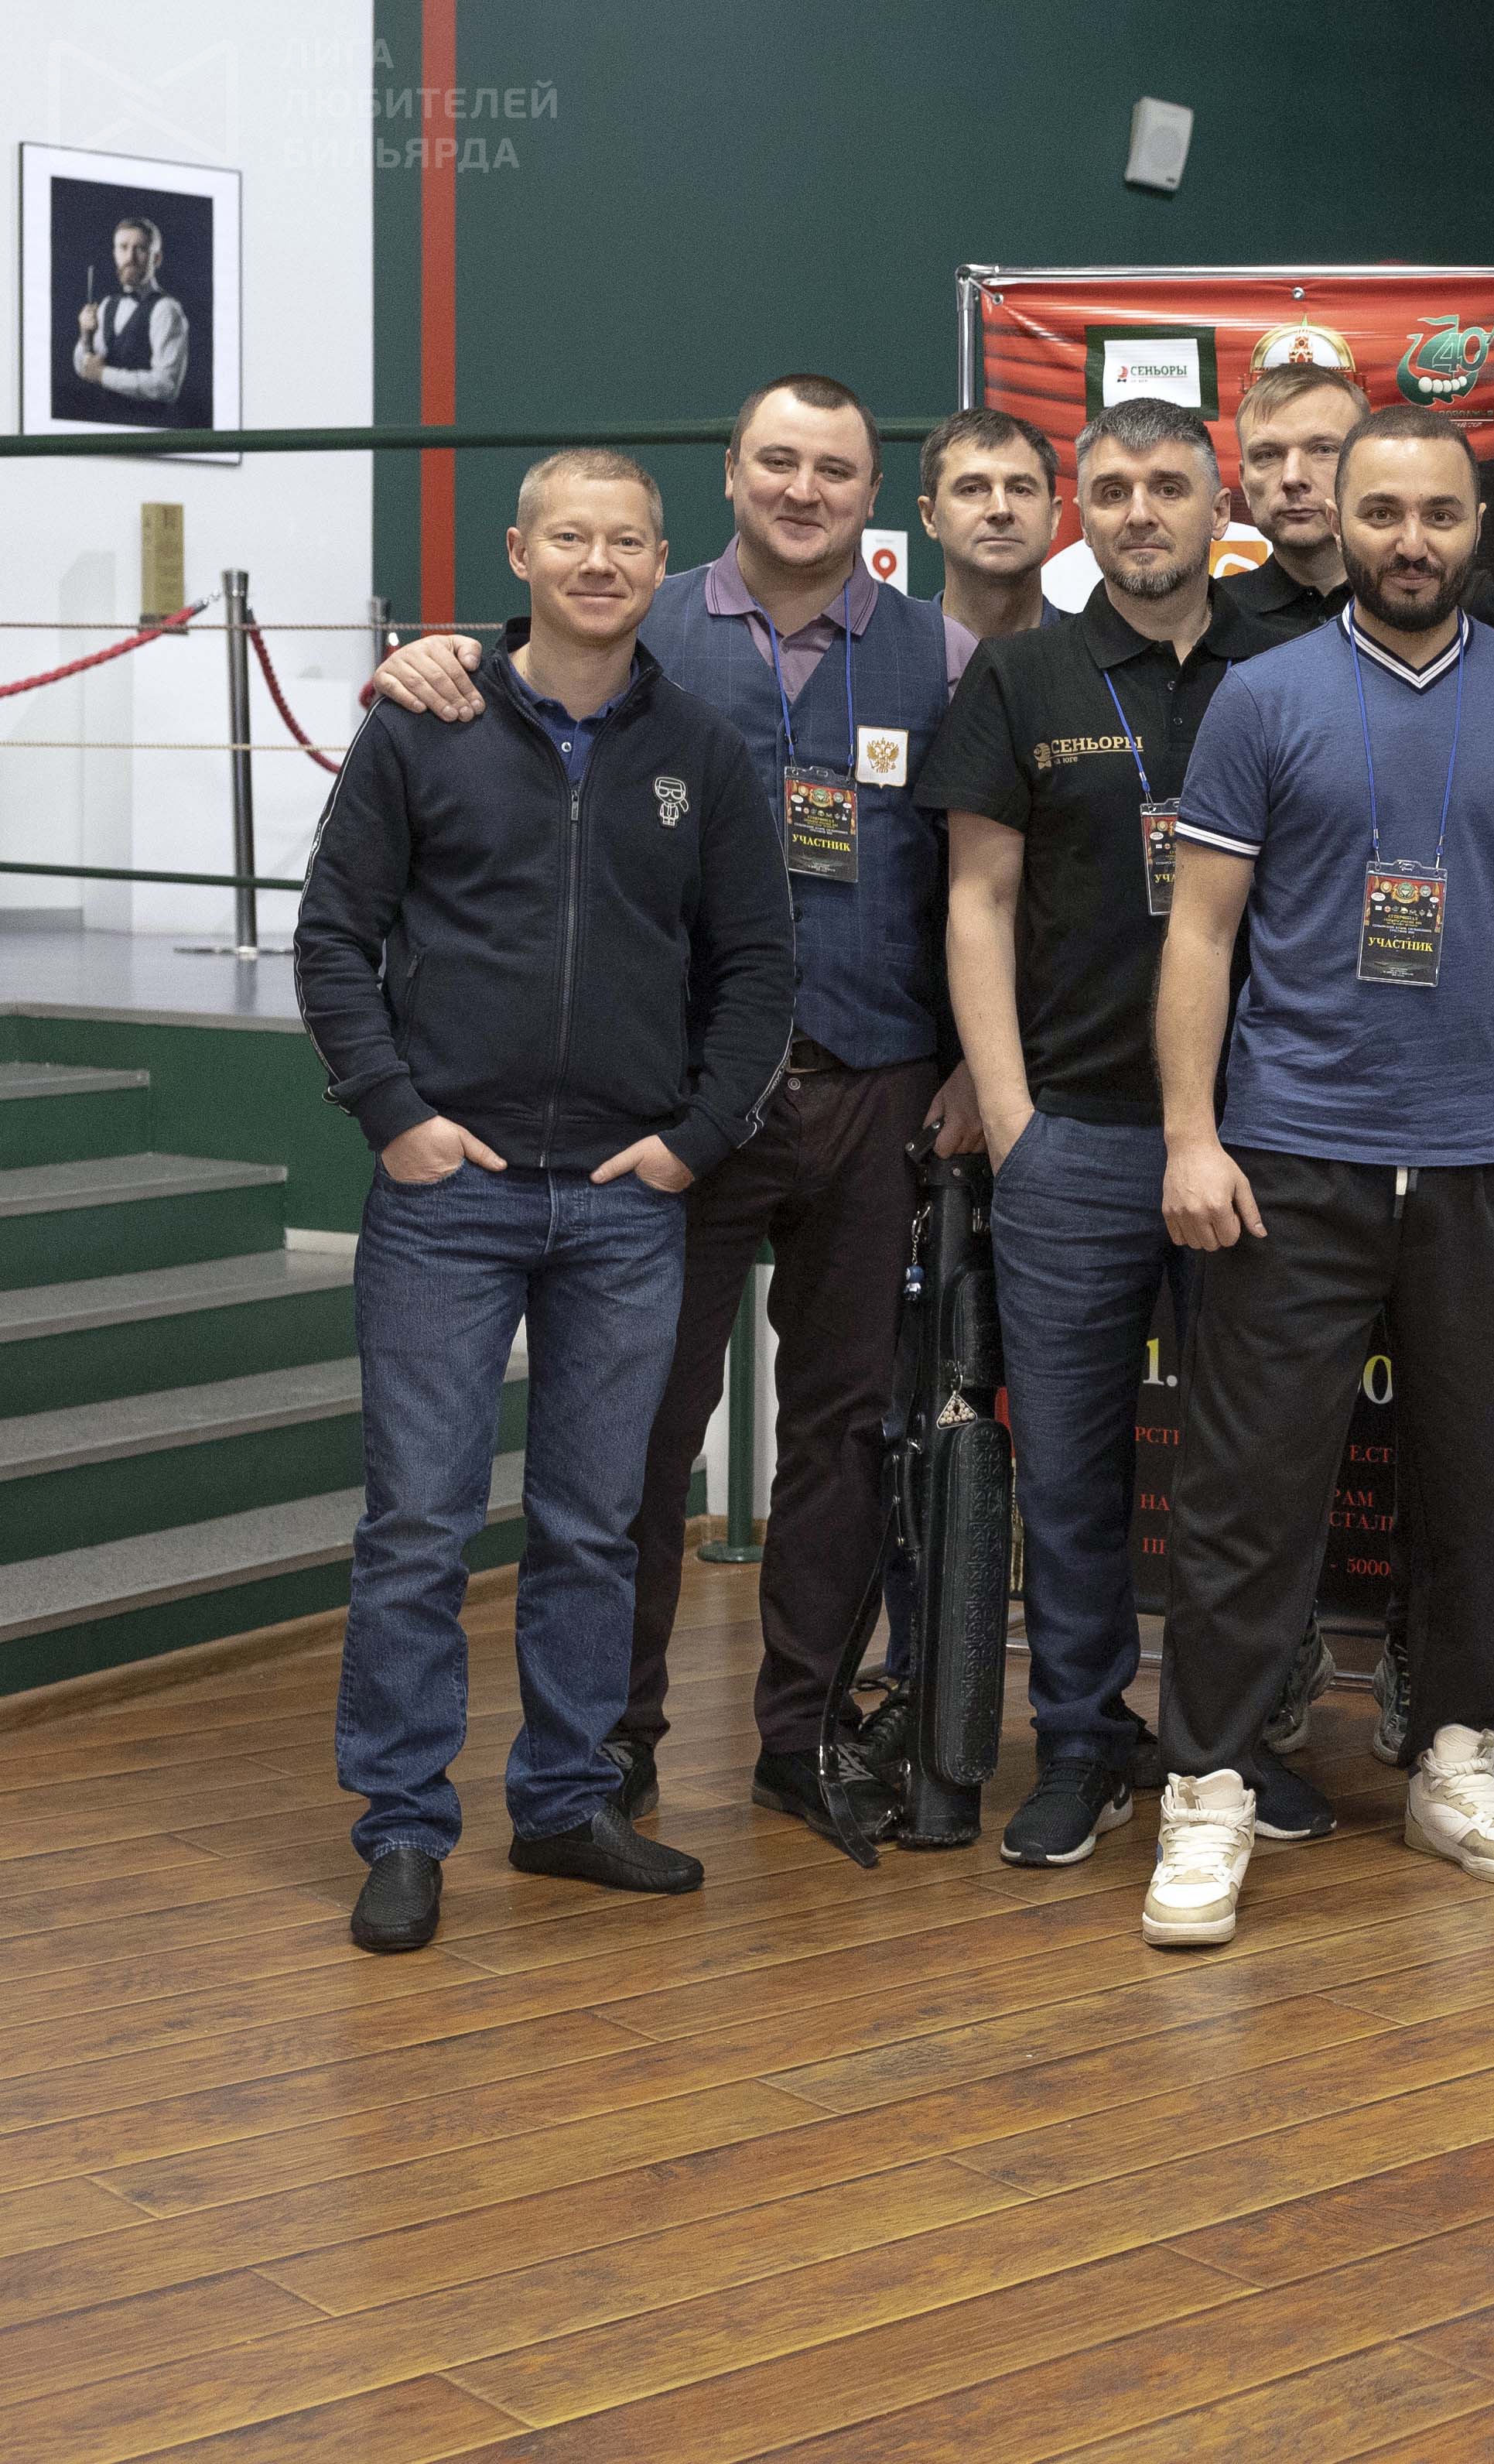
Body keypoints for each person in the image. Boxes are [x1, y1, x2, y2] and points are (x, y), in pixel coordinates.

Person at [372, 375, 983, 1853]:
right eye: (778, 459)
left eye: (834, 468)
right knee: (640, 1440)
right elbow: (520, 678)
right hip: (682, 1108)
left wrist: (973, 1063)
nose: (803, 488)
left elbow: (984, 878)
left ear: (874, 494)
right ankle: (614, 1744)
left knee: (843, 1429)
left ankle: (799, 1731)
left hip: (877, 1085)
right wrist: (428, 655)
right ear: (729, 473)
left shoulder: (946, 656)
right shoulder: (646, 625)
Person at [295, 450, 795, 1949]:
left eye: (625, 540)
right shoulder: (424, 724)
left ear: (661, 560)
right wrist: (395, 1117)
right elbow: (333, 936)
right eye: (569, 536)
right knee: (419, 1525)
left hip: (630, 1201)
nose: (597, 562)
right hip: (449, 1194)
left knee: (594, 1522)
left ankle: (569, 1800)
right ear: (517, 552)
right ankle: (403, 1826)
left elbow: (759, 967)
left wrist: (695, 1141)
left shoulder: (703, 753)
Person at [1141, 406, 1494, 1948]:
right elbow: (1201, 930)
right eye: (1383, 512)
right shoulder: (1262, 696)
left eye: (1440, 514)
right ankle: (1208, 1781)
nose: (1411, 541)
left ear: (1477, 526)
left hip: (1490, 1161)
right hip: (1292, 1153)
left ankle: (1457, 1755)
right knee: (1249, 1494)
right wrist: (1192, 1134)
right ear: (1335, 522)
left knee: (1476, 1483)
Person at [913, 396, 1289, 1867]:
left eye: (1171, 487)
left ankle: (1228, 1742)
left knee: (1244, 1471)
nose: (1143, 512)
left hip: (1260, 1137)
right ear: (1085, 512)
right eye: (1116, 488)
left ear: (1219, 509)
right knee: (1070, 1467)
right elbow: (978, 901)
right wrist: (1010, 1117)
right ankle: (1079, 1739)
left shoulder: (1289, 665)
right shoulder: (1024, 673)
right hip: (1070, 1131)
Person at [1227, 362, 1494, 641]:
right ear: (1244, 482)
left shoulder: (1465, 600)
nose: (1293, 477)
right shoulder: (1217, 612)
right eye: (1267, 455)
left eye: (1324, 449)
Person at [916, 407, 1062, 642]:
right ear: (930, 516)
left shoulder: (1097, 656)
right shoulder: (891, 655)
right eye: (972, 489)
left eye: (1020, 490)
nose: (1001, 510)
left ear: (1053, 517)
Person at [72, 215, 189, 406]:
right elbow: (85, 368)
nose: (130, 258)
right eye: (123, 248)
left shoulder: (167, 310)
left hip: (148, 421)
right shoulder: (107, 304)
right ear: (115, 254)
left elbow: (167, 386)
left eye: (140, 249)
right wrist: (86, 336)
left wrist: (102, 375)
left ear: (157, 259)